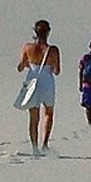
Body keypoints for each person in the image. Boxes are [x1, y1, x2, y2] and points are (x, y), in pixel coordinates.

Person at [14, 19, 61, 153]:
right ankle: (45, 143)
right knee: (48, 112)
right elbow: (57, 70)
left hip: (32, 79)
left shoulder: (27, 47)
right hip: (47, 81)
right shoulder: (53, 50)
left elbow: (20, 67)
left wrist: (29, 64)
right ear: (48, 32)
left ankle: (34, 147)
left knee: (33, 116)